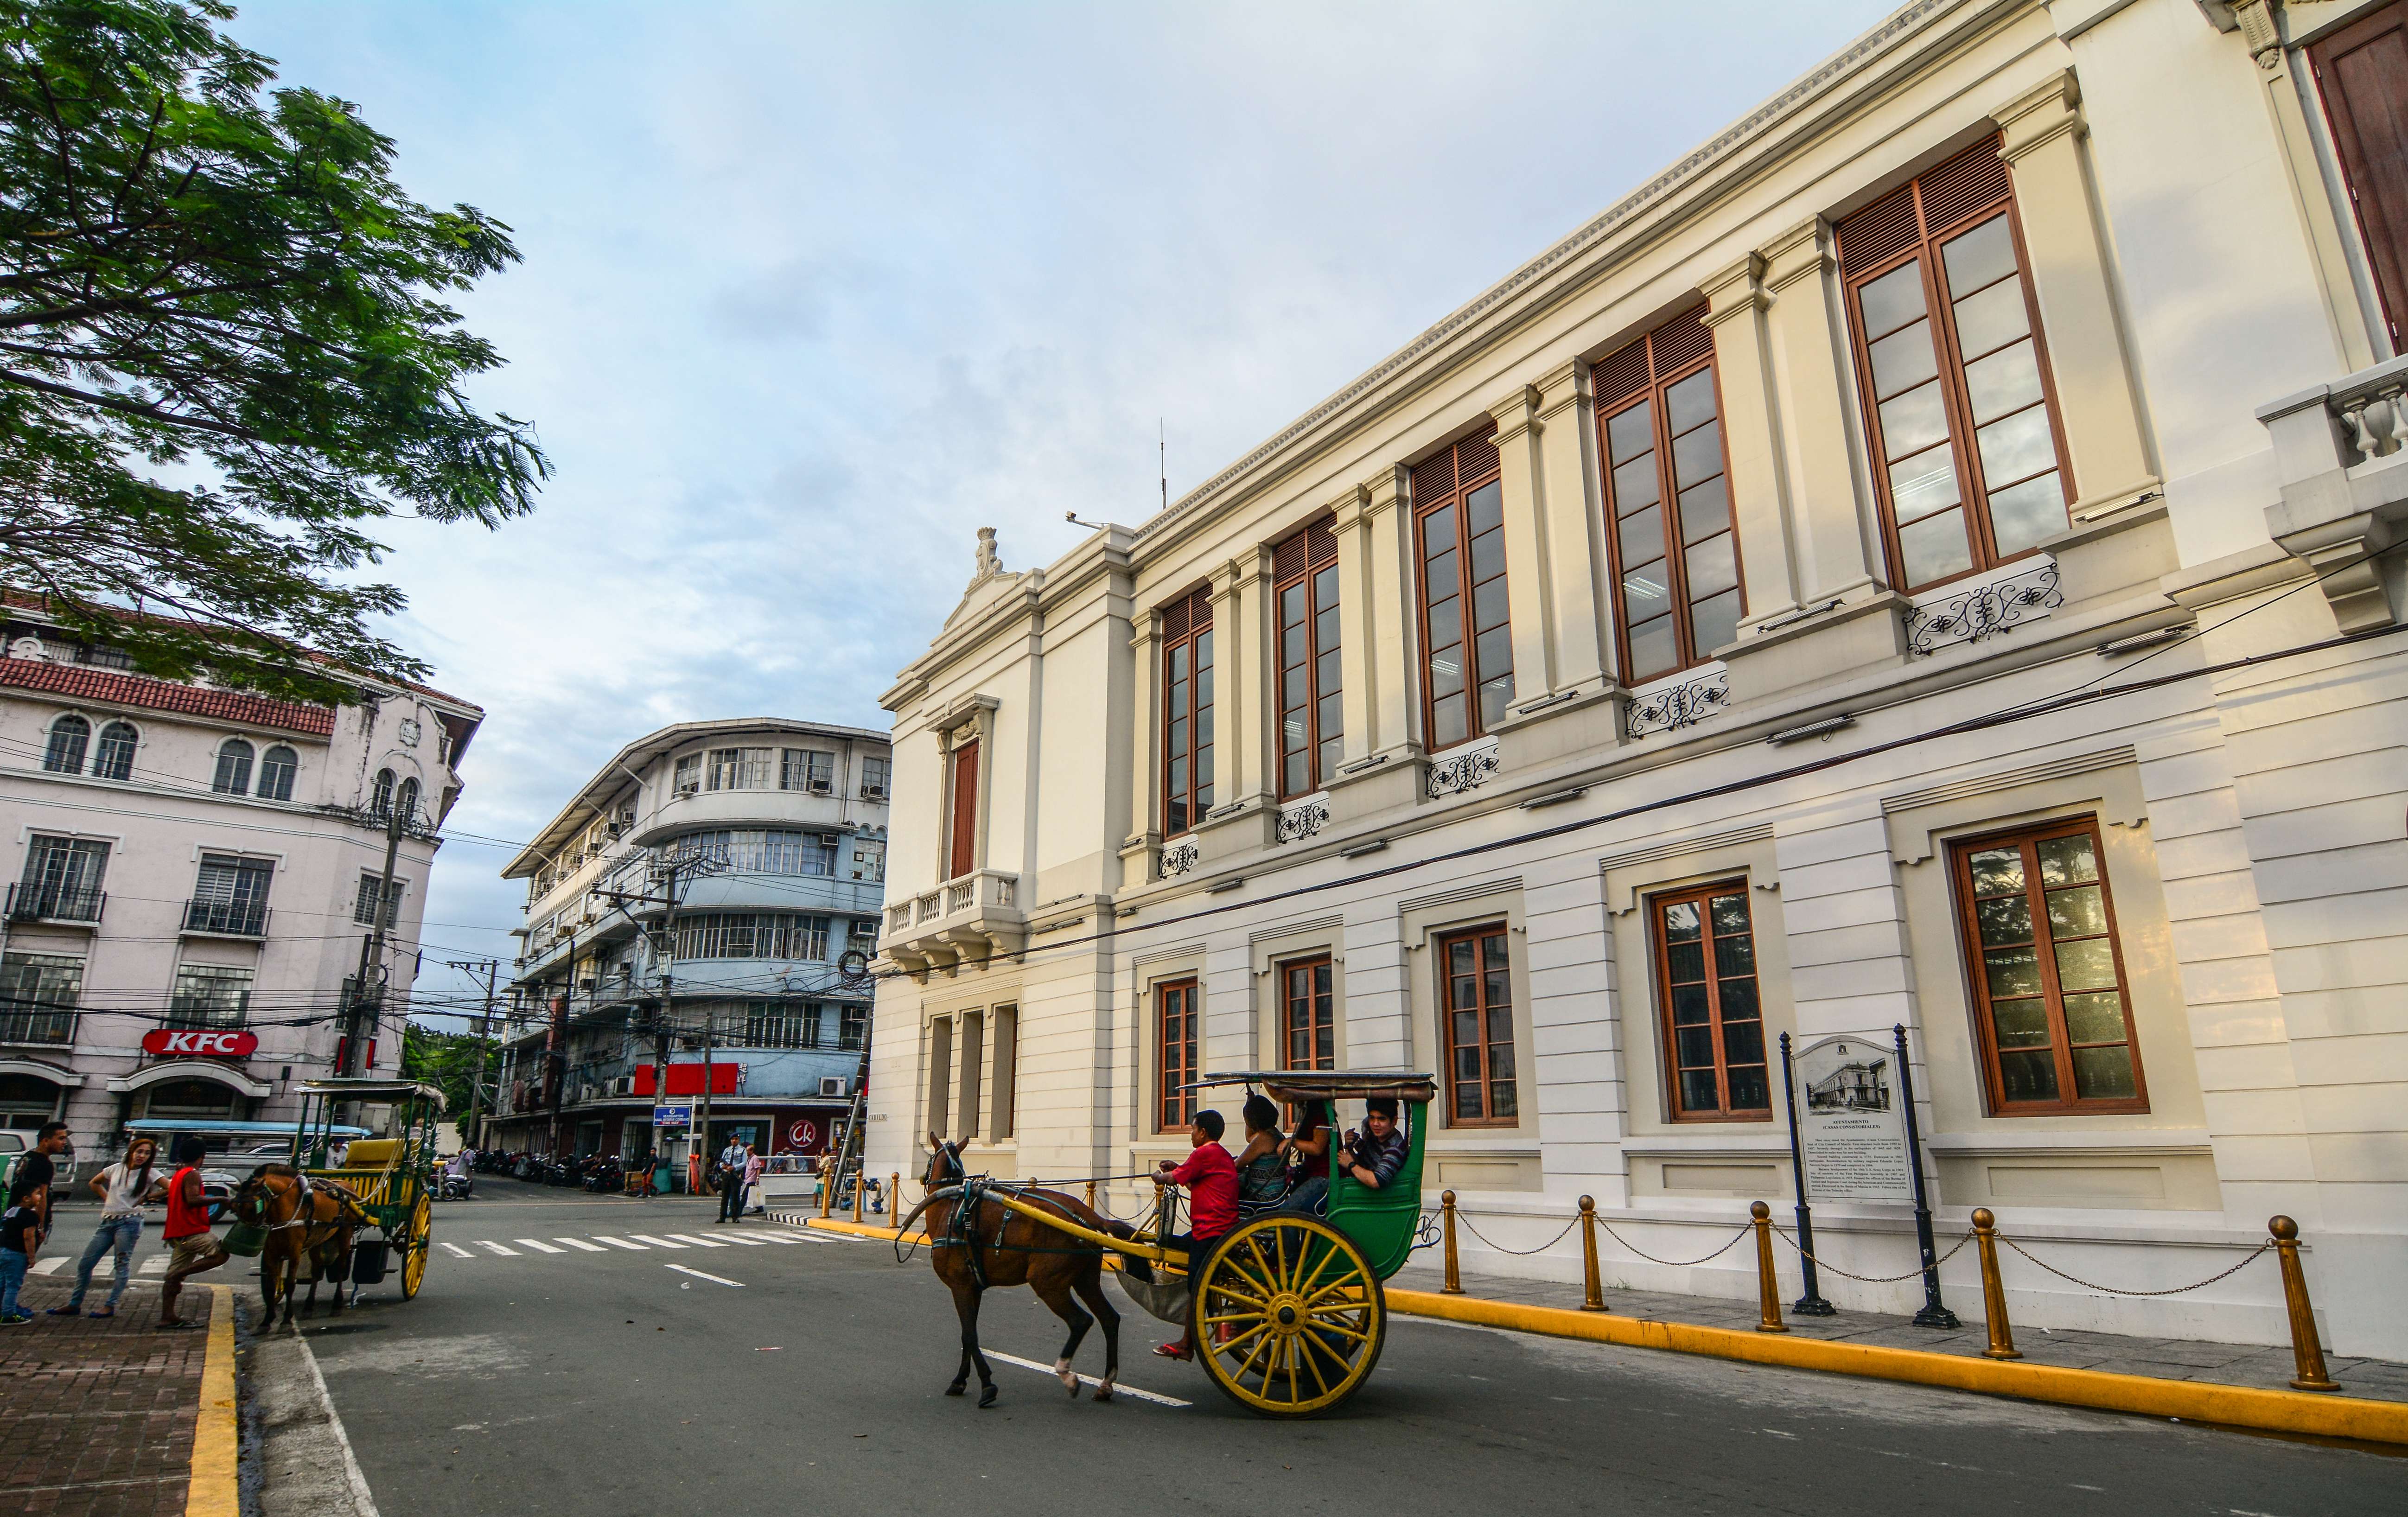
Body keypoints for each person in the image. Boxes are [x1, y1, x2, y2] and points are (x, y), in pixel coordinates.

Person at [1150, 1108, 1238, 1361]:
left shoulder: (1204, 1153)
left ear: (1203, 1133)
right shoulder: (1219, 1154)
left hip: (1211, 1230)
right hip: (1219, 1228)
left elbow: (1173, 1179)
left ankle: (1187, 1344)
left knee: (1196, 1286)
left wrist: (1160, 1176)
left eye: (1193, 1129)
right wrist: (1177, 1169)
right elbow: (1192, 1179)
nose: (1191, 1134)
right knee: (1177, 1247)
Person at [49, 1136, 164, 1319]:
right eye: (139, 1151)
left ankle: (110, 1306)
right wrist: (108, 1199)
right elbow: (94, 1183)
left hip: (130, 1222)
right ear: (132, 1152)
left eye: (147, 1153)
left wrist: (147, 1198)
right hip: (108, 1221)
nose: (142, 1156)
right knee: (86, 1264)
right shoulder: (117, 1168)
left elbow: (171, 1187)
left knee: (121, 1264)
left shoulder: (150, 1173)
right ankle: (75, 1304)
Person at [157, 1135, 229, 1329]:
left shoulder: (180, 1173)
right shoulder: (192, 1174)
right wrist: (221, 1200)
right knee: (221, 1255)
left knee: (173, 1277)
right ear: (202, 1156)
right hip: (192, 1231)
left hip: (178, 1233)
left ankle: (167, 1317)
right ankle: (178, 1274)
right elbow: (193, 1199)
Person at [1334, 1097, 1410, 1191]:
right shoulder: (1375, 1137)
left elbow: (1376, 1181)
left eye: (1382, 1119)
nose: (1375, 1124)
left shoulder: (1395, 1148)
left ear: (1394, 1121)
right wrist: (1350, 1146)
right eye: (1372, 1118)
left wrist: (1351, 1165)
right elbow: (1361, 1163)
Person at [1278, 1099, 1333, 1215]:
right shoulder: (1309, 1117)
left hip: (1324, 1175)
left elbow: (1317, 1148)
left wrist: (1291, 1141)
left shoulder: (1320, 1118)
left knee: (1287, 1210)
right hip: (1314, 1173)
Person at [1234, 1095, 1287, 1211]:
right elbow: (1250, 1138)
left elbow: (1237, 1165)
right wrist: (1250, 1104)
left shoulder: (1264, 1139)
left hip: (1263, 1197)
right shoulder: (1276, 1134)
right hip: (1276, 1193)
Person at [0, 1183, 38, 1325]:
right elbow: (28, 1237)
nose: (40, 1197)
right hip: (17, 1254)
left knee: (2, 1283)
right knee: (13, 1286)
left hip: (3, 1251)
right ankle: (9, 1314)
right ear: (26, 1198)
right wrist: (31, 1257)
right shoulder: (30, 1216)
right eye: (37, 1194)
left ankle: (3, 1311)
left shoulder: (11, 1212)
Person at [714, 1135, 747, 1223]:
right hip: (726, 1175)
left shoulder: (742, 1150)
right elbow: (722, 1161)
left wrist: (734, 1167)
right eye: (733, 1139)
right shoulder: (727, 1150)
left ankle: (735, 1217)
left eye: (736, 1139)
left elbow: (744, 1163)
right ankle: (722, 1217)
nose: (734, 1141)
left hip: (735, 1175)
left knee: (735, 1197)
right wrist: (723, 1166)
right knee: (724, 1197)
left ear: (739, 1140)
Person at [741, 1142, 765, 1217]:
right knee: (753, 1194)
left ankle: (739, 1211)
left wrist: (757, 1178)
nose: (747, 1152)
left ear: (752, 1151)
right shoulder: (749, 1159)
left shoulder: (755, 1158)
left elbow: (758, 1169)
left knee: (744, 1196)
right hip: (748, 1179)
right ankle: (760, 1208)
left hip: (752, 1180)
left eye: (748, 1151)